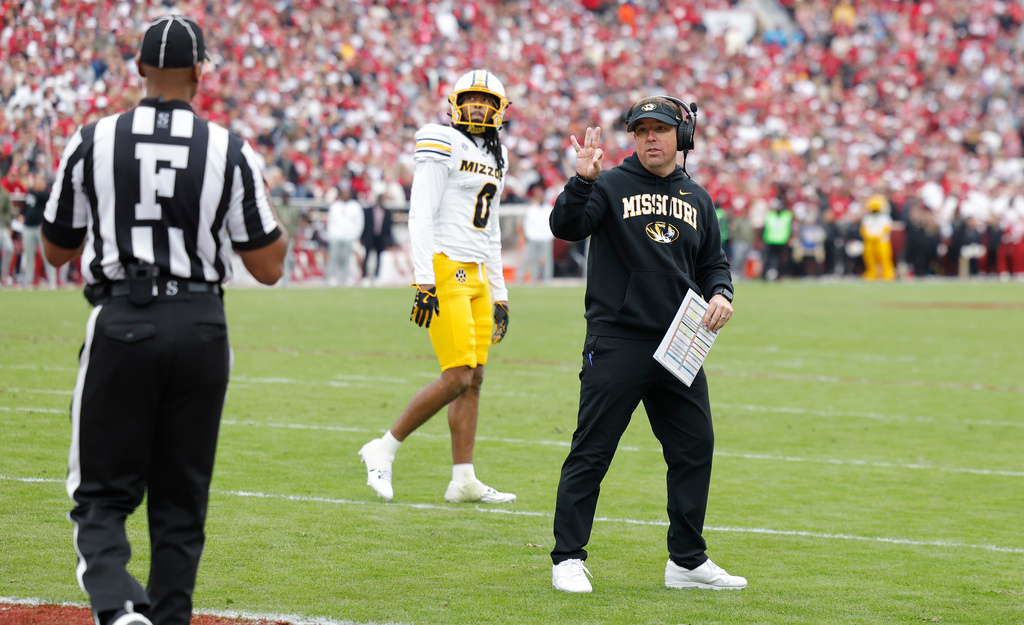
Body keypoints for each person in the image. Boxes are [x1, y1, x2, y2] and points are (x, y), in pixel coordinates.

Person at [41, 16, 288, 625]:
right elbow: (268, 265)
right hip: (202, 323)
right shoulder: (229, 148)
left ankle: (119, 606)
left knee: (99, 496)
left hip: (122, 315)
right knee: (181, 507)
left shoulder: (93, 139)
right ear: (201, 73)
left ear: (139, 70)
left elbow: (55, 248)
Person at [548, 95, 745, 594]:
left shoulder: (698, 198)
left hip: (681, 340)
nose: (650, 138)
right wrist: (582, 180)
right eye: (641, 131)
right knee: (592, 450)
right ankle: (568, 556)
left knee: (694, 448)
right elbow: (566, 227)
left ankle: (686, 560)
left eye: (659, 129)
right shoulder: (609, 183)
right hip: (618, 339)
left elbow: (713, 263)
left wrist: (722, 292)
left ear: (683, 136)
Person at [358, 69, 515, 504]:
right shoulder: (440, 139)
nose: (479, 108)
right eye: (471, 99)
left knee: (476, 377)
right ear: (454, 103)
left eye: (487, 101)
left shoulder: (498, 156)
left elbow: (493, 229)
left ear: (500, 110)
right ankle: (384, 447)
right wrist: (424, 278)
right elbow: (420, 212)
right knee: (457, 376)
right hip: (446, 266)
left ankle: (462, 479)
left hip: (479, 271)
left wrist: (500, 292)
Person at [20, 173, 58, 288]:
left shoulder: (46, 196)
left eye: (40, 181)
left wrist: (34, 190)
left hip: (41, 227)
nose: (38, 183)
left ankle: (52, 280)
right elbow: (25, 208)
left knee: (46, 254)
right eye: (37, 181)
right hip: (28, 227)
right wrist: (22, 216)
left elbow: (44, 199)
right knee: (28, 254)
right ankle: (28, 279)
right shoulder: (30, 194)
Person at [325, 186, 365, 286]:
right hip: (336, 236)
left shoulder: (355, 206)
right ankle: (332, 277)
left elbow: (359, 222)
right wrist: (331, 234)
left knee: (346, 258)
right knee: (334, 257)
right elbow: (330, 221)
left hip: (349, 237)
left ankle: (346, 277)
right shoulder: (335, 206)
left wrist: (355, 235)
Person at [518, 181, 554, 284]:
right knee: (532, 260)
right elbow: (526, 224)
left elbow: (551, 224)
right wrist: (530, 236)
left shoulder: (549, 209)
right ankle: (533, 279)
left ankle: (547, 279)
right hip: (533, 238)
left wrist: (549, 236)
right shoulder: (531, 209)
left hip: (546, 238)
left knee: (547, 260)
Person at [860, 193, 895, 280]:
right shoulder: (867, 218)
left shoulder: (885, 217)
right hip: (870, 243)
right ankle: (872, 273)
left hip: (882, 242)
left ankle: (887, 273)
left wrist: (877, 237)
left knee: (885, 258)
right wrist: (870, 237)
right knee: (869, 259)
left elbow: (886, 229)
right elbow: (864, 230)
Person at [360, 198, 394, 284]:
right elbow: (365, 225)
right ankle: (365, 276)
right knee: (367, 256)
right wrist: (363, 237)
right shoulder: (369, 211)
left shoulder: (386, 212)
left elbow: (388, 227)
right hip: (370, 237)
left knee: (378, 257)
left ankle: (377, 276)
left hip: (380, 238)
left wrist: (388, 239)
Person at [0, 182, 14, 285]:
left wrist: (4, 221)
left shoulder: (4, 194)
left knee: (9, 248)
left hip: (2, 227)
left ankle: (3, 274)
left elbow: (8, 212)